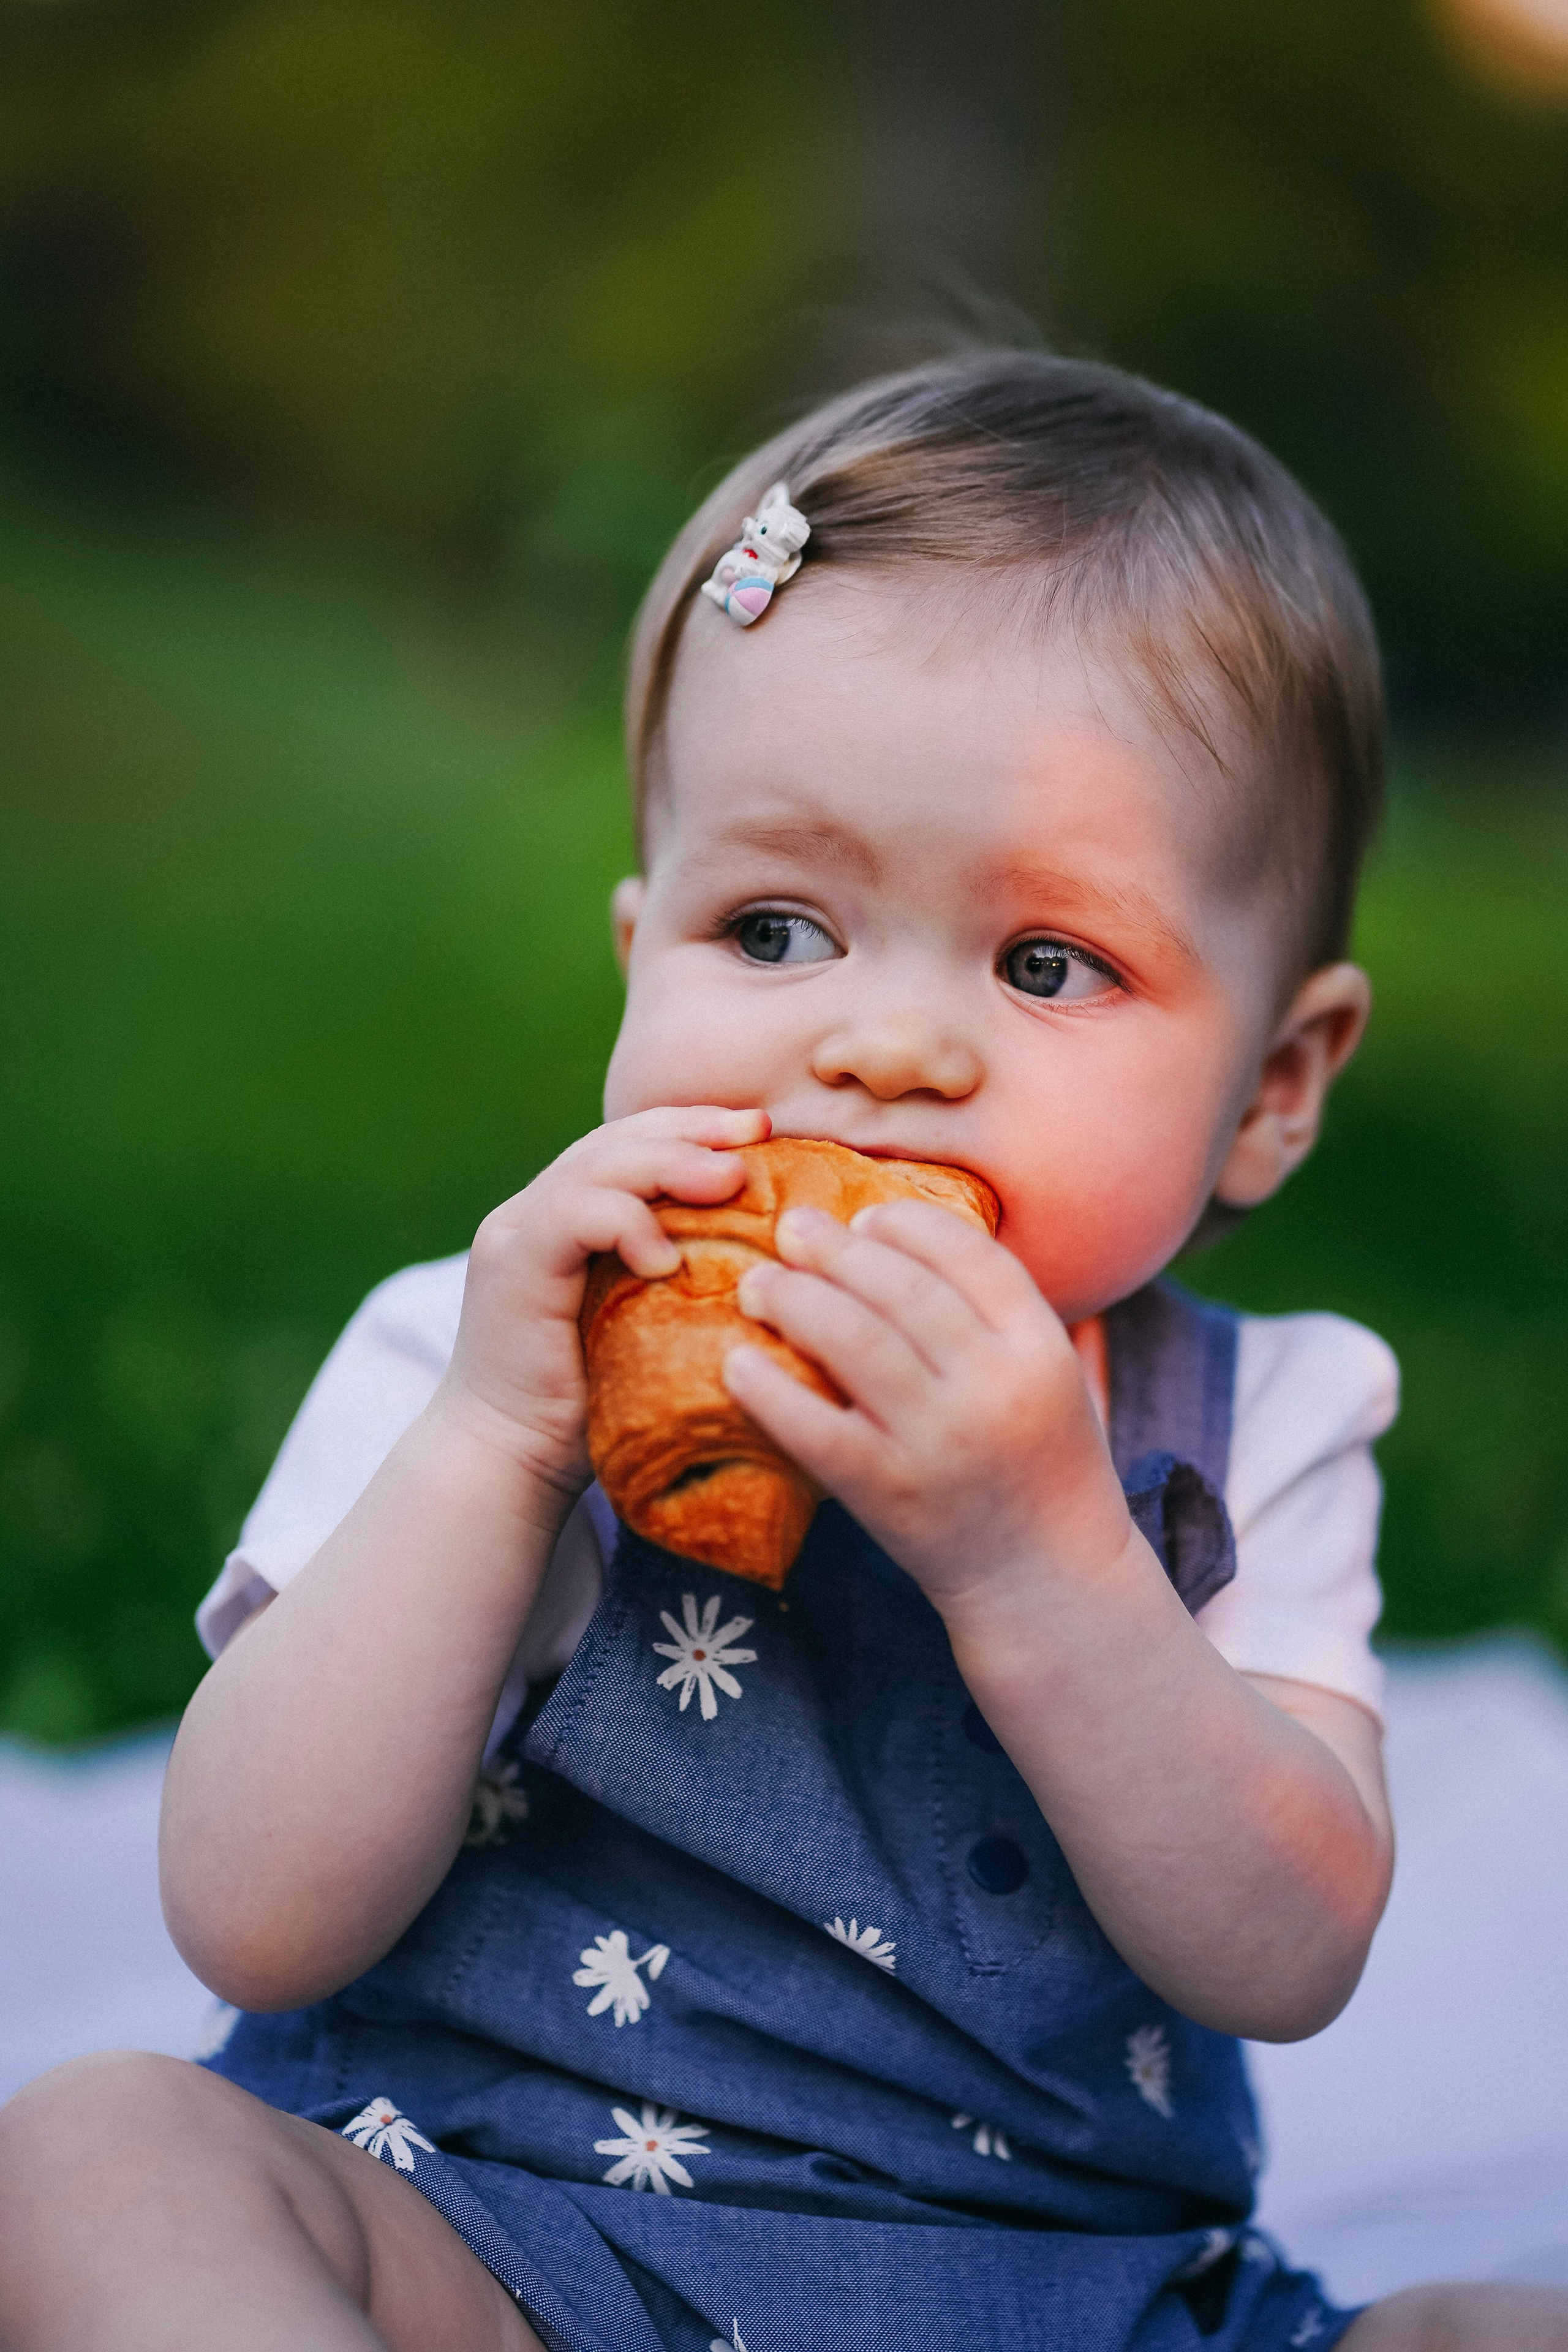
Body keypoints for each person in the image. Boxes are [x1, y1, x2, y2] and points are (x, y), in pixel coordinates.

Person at [2, 351, 1564, 2352]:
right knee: (98, 2153)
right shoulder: (486, 1355)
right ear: (637, 951)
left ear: (1273, 1087)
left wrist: (1041, 1555)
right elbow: (252, 1915)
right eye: (773, 930)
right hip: (510, 2239)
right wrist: (495, 1450)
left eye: (1046, 962)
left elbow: (1287, 1949)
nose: (883, 1047)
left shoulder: (1254, 1429)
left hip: (1069, 2302)